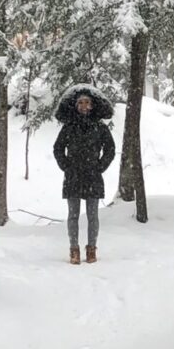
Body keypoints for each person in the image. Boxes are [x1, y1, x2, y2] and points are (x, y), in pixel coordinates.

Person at [52, 84, 116, 265]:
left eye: (87, 102)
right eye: (80, 102)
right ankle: (74, 249)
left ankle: (91, 249)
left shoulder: (100, 127)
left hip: (93, 176)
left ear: (92, 105)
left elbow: (110, 149)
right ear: (76, 105)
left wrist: (100, 167)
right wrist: (66, 166)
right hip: (73, 176)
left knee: (92, 215)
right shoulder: (69, 127)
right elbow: (58, 148)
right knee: (73, 215)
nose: (84, 105)